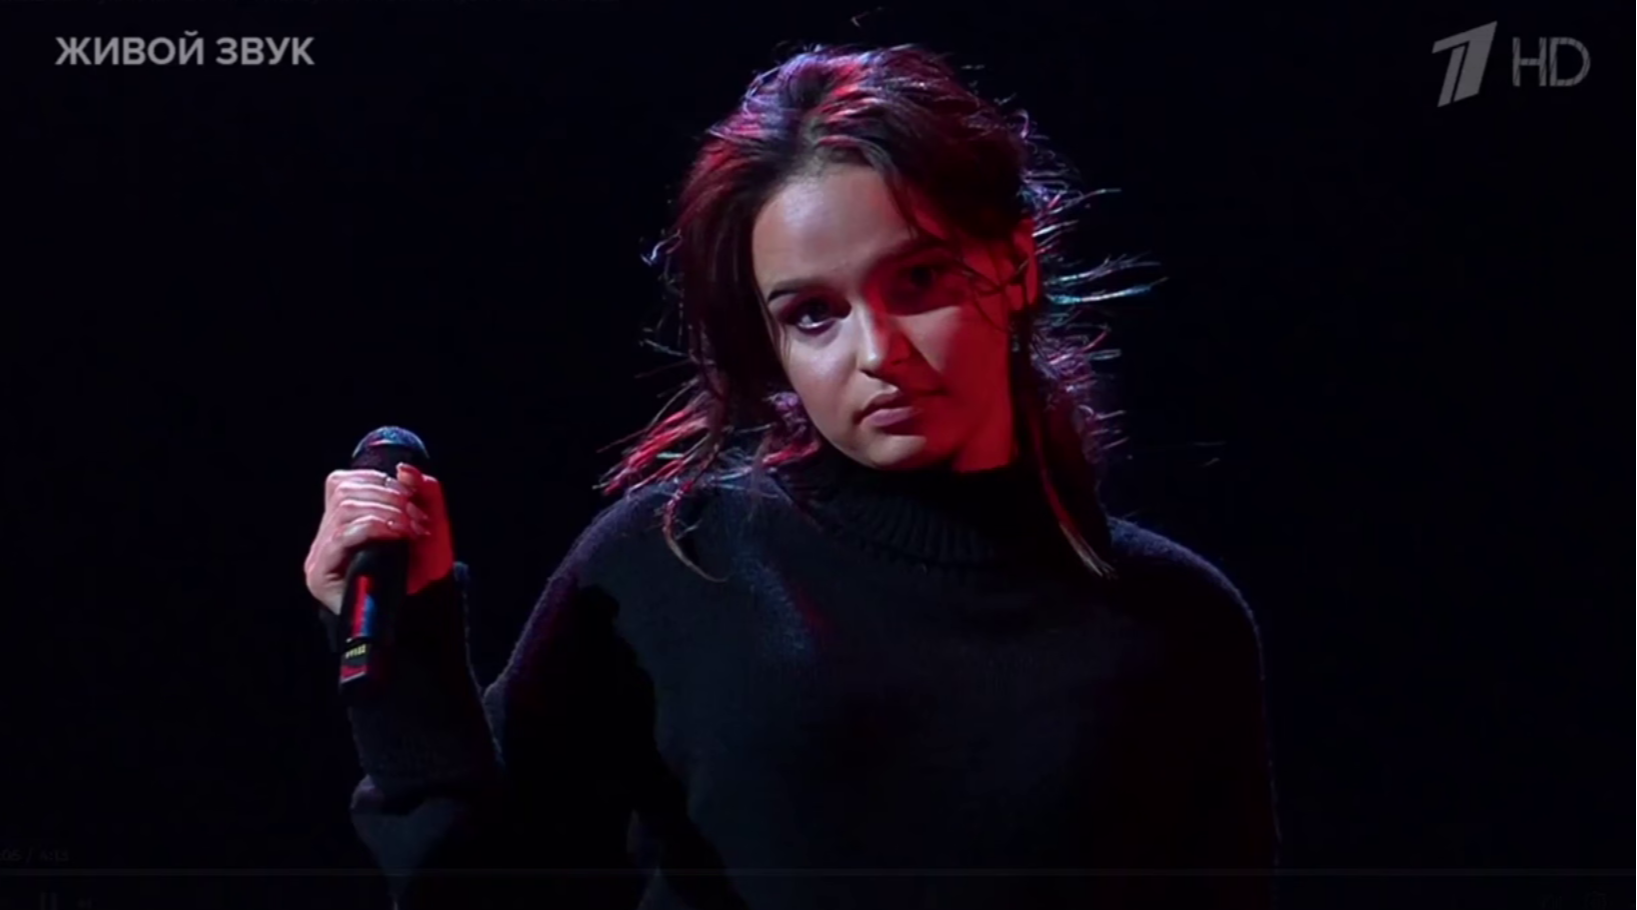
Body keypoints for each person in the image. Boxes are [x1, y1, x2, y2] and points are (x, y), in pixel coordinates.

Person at [303, 44, 1278, 910]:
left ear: (1017, 266)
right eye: (813, 314)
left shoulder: (1175, 622)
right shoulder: (676, 564)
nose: (879, 353)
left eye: (919, 280)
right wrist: (403, 656)